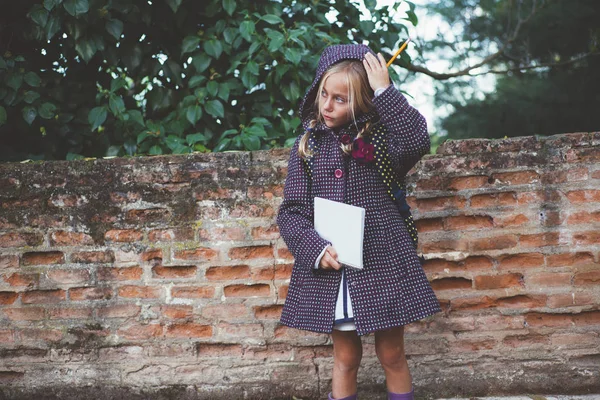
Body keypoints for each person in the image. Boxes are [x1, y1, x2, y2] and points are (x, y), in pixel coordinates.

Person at [276, 44, 442, 400]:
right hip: (334, 267)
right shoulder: (307, 146)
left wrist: (385, 90)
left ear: (363, 102)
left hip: (382, 260)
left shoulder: (381, 139)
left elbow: (417, 140)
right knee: (346, 357)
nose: (327, 105)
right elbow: (291, 212)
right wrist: (315, 249)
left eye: (340, 99)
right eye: (324, 95)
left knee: (392, 353)